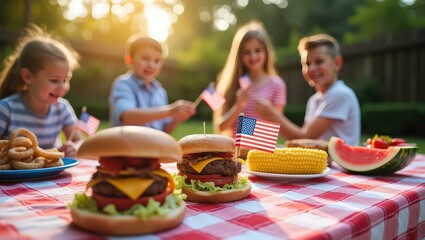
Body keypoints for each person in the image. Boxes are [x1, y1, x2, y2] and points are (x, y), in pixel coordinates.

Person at [255, 33, 361, 146]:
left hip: (337, 164)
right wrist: (243, 126)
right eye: (307, 63)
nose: (311, 68)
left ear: (337, 63)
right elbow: (302, 142)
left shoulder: (340, 94)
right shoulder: (314, 100)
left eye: (319, 61)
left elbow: (305, 137)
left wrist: (273, 115)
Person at [0, 24, 82, 156]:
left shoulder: (62, 108)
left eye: (66, 80)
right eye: (54, 80)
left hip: (53, 175)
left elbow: (79, 141)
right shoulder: (6, 109)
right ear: (27, 76)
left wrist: (75, 147)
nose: (62, 87)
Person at [213, 20, 287, 137]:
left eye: (258, 50)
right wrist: (238, 106)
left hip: (260, 152)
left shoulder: (277, 84)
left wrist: (268, 113)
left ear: (266, 52)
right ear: (239, 55)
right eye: (247, 52)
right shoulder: (229, 84)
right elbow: (220, 127)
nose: (253, 56)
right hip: (234, 151)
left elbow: (277, 127)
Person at [109, 34, 195, 133]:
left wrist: (176, 118)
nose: (151, 65)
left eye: (157, 61)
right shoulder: (124, 84)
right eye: (145, 58)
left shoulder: (160, 92)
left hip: (154, 148)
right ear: (130, 59)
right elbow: (127, 116)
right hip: (127, 147)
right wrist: (170, 111)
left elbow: (164, 130)